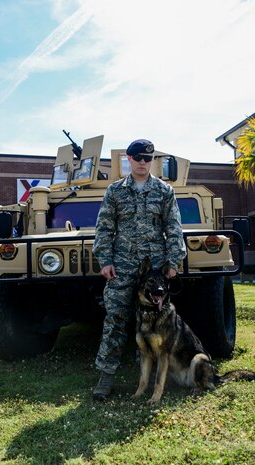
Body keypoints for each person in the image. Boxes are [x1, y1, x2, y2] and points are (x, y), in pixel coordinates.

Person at [92, 138, 187, 400]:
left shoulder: (164, 191)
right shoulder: (115, 191)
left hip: (155, 267)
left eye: (148, 159)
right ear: (129, 160)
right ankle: (106, 376)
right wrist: (106, 260)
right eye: (138, 158)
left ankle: (146, 375)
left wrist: (173, 261)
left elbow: (173, 227)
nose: (143, 163)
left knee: (155, 321)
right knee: (116, 318)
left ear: (152, 160)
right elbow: (104, 228)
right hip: (122, 266)